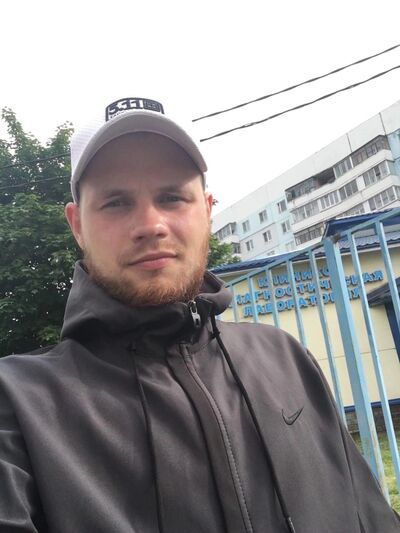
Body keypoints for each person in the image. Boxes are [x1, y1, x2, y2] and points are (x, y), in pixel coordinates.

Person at [0, 96, 398, 533]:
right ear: (77, 225)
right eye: (115, 203)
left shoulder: (285, 357)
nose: (151, 225)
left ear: (206, 210)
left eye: (172, 197)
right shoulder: (17, 402)